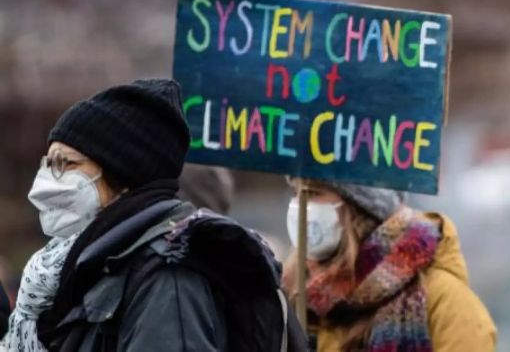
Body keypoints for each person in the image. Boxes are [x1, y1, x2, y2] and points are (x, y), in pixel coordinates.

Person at [1, 79, 306, 352]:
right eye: (47, 162)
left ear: (120, 176)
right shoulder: (84, 269)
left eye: (65, 163)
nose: (45, 181)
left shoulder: (167, 281)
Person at [281, 178, 496, 351]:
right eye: (295, 192)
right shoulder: (298, 297)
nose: (298, 205)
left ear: (359, 206)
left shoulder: (447, 305)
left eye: (312, 193)